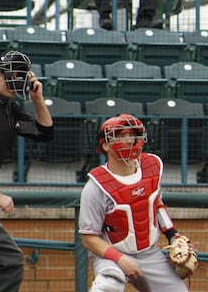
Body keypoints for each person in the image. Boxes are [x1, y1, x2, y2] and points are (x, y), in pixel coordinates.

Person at [78, 114, 190, 292]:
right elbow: (88, 238)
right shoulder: (95, 186)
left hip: (148, 252)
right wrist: (120, 259)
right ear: (105, 145)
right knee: (108, 285)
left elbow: (157, 205)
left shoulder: (152, 166)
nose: (128, 141)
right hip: (110, 252)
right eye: (120, 136)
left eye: (132, 135)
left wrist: (172, 234)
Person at [0, 50, 54, 292]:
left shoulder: (9, 107)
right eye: (11, 73)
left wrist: (38, 100)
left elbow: (43, 132)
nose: (18, 78)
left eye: (20, 73)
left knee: (10, 260)